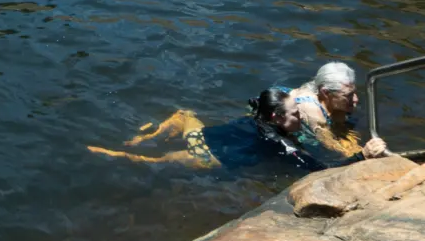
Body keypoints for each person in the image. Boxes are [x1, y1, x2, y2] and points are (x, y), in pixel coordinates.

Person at [88, 89, 320, 172]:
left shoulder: (256, 113)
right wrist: (357, 157)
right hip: (207, 157)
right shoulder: (280, 142)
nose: (300, 117)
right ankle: (118, 155)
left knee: (184, 115)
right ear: (276, 117)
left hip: (201, 137)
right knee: (154, 162)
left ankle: (144, 137)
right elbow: (317, 168)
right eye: (295, 114)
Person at [293, 62, 387, 160]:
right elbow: (332, 148)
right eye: (348, 95)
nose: (356, 99)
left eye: (354, 92)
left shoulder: (329, 95)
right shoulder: (313, 112)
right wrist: (365, 153)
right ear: (325, 93)